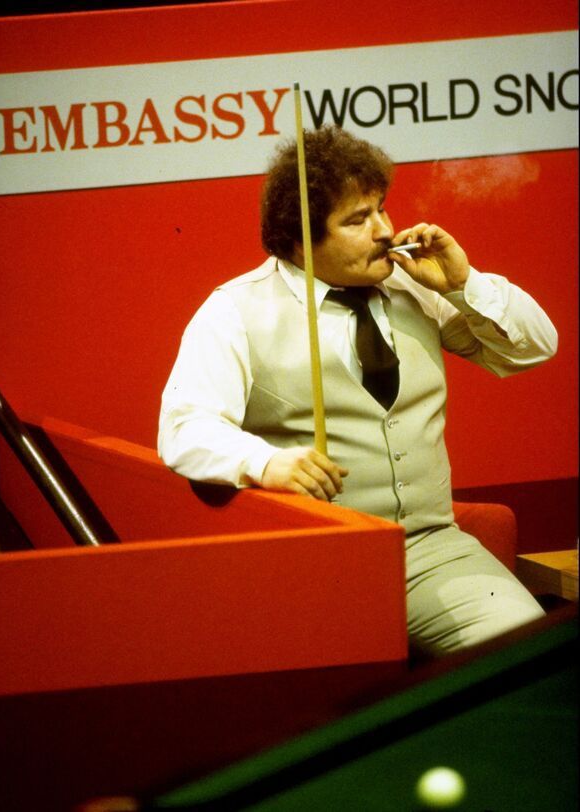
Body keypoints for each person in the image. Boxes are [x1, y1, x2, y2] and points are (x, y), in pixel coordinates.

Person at [158, 126, 557, 656]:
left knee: (527, 666)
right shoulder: (235, 310)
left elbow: (534, 348)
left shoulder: (416, 286)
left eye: (381, 210)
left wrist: (465, 284)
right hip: (313, 569)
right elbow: (183, 427)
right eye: (357, 219)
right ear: (300, 239)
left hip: (430, 550)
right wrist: (264, 462)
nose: (384, 232)